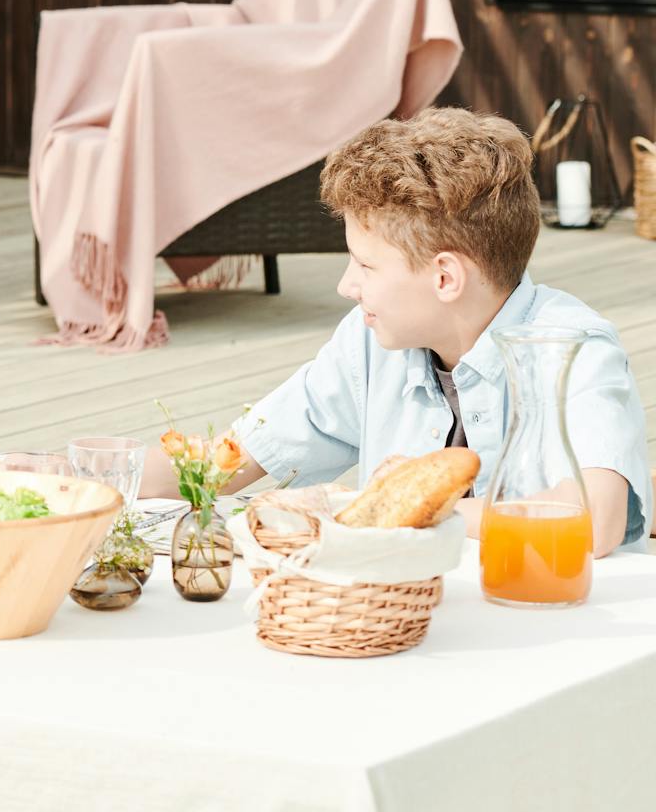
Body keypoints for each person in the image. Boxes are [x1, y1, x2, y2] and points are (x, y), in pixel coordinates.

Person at [138, 109, 649, 555]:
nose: (346, 285)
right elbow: (226, 463)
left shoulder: (573, 350)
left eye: (365, 265)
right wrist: (88, 480)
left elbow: (596, 520)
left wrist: (407, 507)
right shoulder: (370, 342)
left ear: (444, 277)